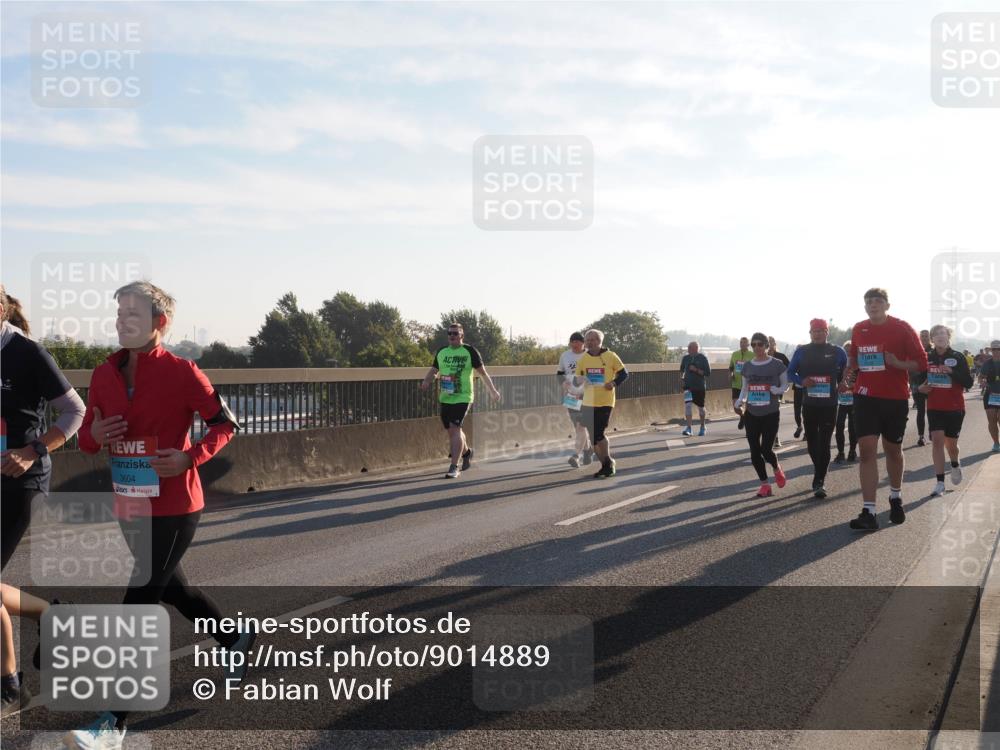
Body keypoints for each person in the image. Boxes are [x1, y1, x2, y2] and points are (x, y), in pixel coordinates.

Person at [66, 281, 252, 749]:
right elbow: (86, 439)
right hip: (129, 503)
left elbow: (225, 424)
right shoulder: (103, 374)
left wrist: (190, 457)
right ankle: (235, 638)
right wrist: (95, 435)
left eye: (132, 314)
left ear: (159, 322)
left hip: (175, 506)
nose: (122, 322)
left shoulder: (183, 372)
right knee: (175, 591)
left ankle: (113, 721)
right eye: (119, 314)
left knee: (139, 604)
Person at [0, 284, 85, 716]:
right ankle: (53, 618)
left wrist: (32, 450)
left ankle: (9, 685)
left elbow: (75, 411)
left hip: (21, 479)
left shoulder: (27, 352)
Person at [843, 288, 928, 531]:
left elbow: (921, 362)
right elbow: (854, 359)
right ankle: (869, 511)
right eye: (869, 302)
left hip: (894, 398)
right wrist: (850, 374)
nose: (873, 305)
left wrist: (897, 363)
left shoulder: (902, 328)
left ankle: (895, 496)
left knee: (893, 450)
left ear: (887, 305)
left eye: (878, 301)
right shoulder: (859, 328)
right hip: (865, 397)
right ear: (865, 307)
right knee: (866, 450)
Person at [420, 323, 501, 478]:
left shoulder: (470, 351)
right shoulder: (442, 352)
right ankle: (467, 453)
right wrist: (426, 381)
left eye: (455, 333)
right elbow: (434, 369)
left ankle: (453, 467)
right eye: (450, 333)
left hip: (464, 396)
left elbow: (483, 373)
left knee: (455, 428)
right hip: (446, 396)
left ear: (461, 335)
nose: (452, 336)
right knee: (453, 431)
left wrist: (493, 391)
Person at [787, 319, 848, 498]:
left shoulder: (838, 351)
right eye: (815, 331)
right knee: (812, 443)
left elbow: (846, 372)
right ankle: (819, 469)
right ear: (810, 333)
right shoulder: (802, 351)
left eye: (821, 330)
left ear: (827, 332)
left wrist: (843, 383)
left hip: (829, 405)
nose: (818, 333)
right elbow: (790, 373)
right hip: (810, 404)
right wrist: (802, 381)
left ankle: (819, 480)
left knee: (825, 442)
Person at [919, 325, 974, 497]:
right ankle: (940, 483)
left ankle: (955, 464)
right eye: (936, 334)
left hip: (955, 407)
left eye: (943, 333)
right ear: (932, 339)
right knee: (937, 441)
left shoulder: (958, 356)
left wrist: (951, 371)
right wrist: (920, 388)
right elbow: (919, 381)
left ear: (948, 336)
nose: (940, 336)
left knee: (951, 445)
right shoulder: (927, 357)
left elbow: (969, 382)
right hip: (934, 407)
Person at [733, 332, 788, 497]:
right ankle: (765, 484)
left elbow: (785, 385)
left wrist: (777, 390)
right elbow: (745, 388)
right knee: (754, 451)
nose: (756, 347)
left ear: (766, 346)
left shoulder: (777, 364)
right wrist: (740, 400)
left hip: (770, 413)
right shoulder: (748, 366)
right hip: (752, 413)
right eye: (753, 345)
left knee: (766, 449)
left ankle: (776, 468)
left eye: (760, 344)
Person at [573, 329, 628, 479]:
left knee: (598, 433)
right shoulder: (583, 359)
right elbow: (576, 380)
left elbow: (624, 374)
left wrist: (613, 383)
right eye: (587, 340)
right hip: (588, 402)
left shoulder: (610, 356)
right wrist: (581, 380)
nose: (589, 342)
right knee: (593, 437)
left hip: (605, 401)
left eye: (592, 340)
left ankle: (608, 463)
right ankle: (606, 465)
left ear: (599, 341)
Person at [557, 332, 593, 467]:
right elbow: (560, 372)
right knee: (577, 427)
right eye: (572, 342)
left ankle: (576, 455)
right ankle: (587, 450)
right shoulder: (565, 355)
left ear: (583, 343)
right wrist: (562, 382)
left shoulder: (590, 355)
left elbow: (598, 373)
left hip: (587, 395)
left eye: (577, 342)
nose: (574, 345)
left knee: (580, 426)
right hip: (571, 394)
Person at [679, 341, 711, 437]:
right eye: (688, 347)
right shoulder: (685, 358)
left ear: (696, 348)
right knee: (688, 405)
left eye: (690, 347)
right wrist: (682, 378)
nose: (688, 349)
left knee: (701, 408)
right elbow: (681, 370)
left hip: (699, 387)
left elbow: (708, 373)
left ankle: (702, 426)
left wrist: (696, 370)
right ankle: (689, 428)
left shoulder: (703, 358)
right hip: (688, 387)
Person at [834, 341, 858, 464]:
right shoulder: (839, 366)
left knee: (853, 428)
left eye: (850, 350)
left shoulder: (858, 367)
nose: (848, 353)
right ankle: (841, 452)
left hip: (854, 401)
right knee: (839, 427)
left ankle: (852, 451)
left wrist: (850, 386)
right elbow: (835, 382)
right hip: (841, 402)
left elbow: (862, 383)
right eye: (846, 351)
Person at [910, 329, 932, 447]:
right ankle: (921, 436)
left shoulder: (933, 351)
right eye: (922, 336)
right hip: (917, 384)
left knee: (932, 410)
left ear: (930, 338)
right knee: (921, 411)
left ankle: (931, 433)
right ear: (919, 337)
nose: (924, 338)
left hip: (931, 383)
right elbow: (910, 367)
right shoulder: (914, 351)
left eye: (926, 336)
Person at [767, 336, 790, 448]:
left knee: (774, 413)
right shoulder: (760, 357)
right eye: (768, 342)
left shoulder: (781, 357)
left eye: (772, 342)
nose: (770, 345)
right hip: (763, 390)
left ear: (775, 344)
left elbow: (790, 369)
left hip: (777, 389)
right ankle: (766, 437)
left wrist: (784, 383)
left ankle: (776, 437)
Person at [979, 339, 1000, 453]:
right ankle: (996, 443)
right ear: (991, 350)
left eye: (998, 349)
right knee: (992, 420)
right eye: (994, 349)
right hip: (990, 395)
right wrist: (982, 382)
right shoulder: (987, 363)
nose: (996, 351)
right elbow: (981, 377)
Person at [729, 337, 753, 430]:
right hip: (736, 384)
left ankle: (749, 430)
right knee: (736, 407)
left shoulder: (752, 355)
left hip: (748, 385)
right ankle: (743, 416)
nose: (742, 344)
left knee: (749, 408)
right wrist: (731, 373)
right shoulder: (735, 354)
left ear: (748, 344)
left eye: (744, 342)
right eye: (741, 342)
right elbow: (731, 366)